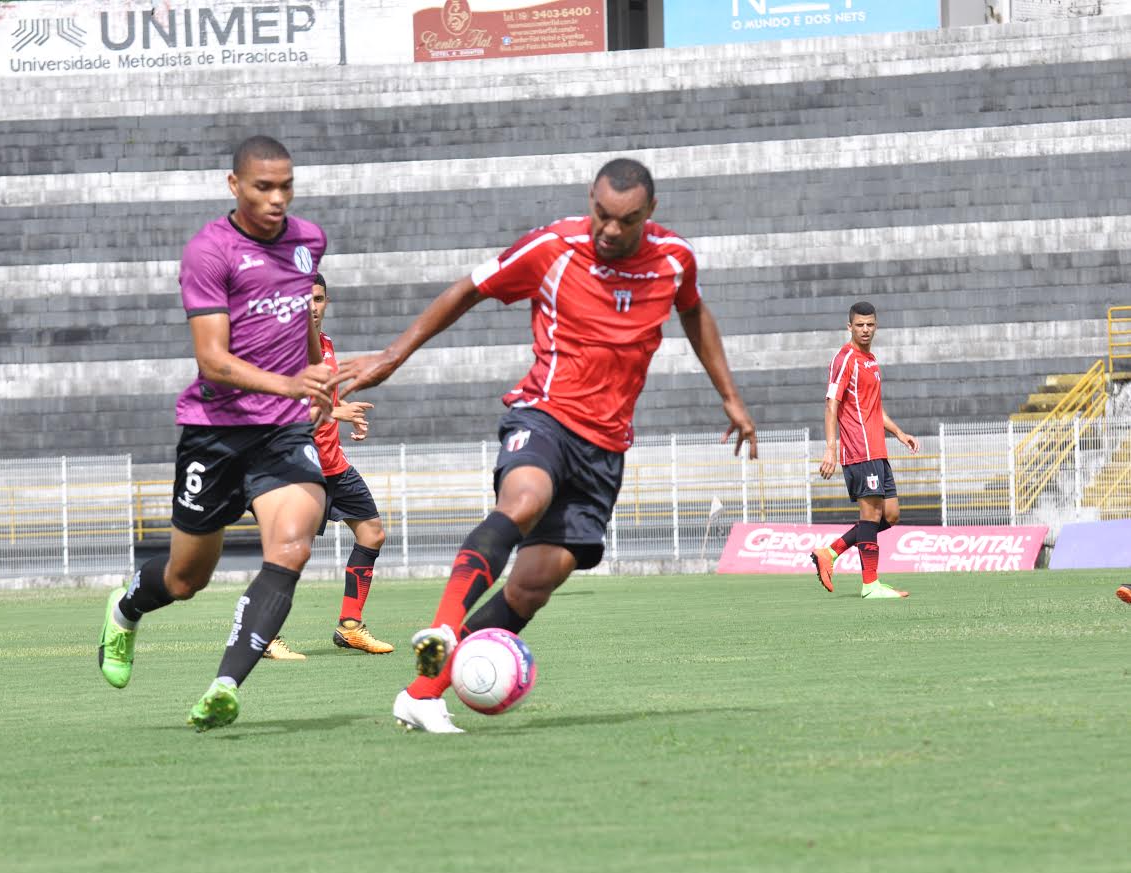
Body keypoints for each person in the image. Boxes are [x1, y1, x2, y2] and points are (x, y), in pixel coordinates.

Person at [335, 158, 758, 733]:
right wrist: (393, 355)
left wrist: (729, 396)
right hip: (545, 416)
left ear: (650, 214)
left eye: (625, 221)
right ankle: (442, 628)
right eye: (601, 215)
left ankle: (422, 694)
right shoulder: (552, 247)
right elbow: (468, 290)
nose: (609, 231)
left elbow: (695, 312)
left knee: (533, 587)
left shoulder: (674, 259)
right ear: (591, 199)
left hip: (605, 450)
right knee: (524, 499)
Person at [96, 135, 331, 731]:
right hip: (215, 430)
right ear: (235, 186)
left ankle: (225, 685)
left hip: (281, 432)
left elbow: (301, 318)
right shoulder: (209, 251)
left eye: (286, 187)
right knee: (184, 578)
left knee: (291, 548)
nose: (277, 199)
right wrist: (292, 385)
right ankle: (124, 610)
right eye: (263, 187)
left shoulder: (310, 241)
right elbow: (213, 362)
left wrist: (319, 377)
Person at [291, 271, 393, 656]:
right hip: (302, 470)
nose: (311, 308)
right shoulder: (286, 348)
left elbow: (325, 409)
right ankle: (262, 636)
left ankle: (350, 625)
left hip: (334, 465)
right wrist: (337, 412)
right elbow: (284, 410)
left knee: (372, 534)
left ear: (327, 302)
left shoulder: (327, 345)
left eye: (318, 299)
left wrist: (346, 417)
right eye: (305, 300)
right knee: (288, 556)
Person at [810, 302, 919, 600]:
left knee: (891, 515)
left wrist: (899, 433)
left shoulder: (870, 360)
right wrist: (831, 449)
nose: (865, 329)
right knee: (870, 516)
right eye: (859, 325)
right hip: (859, 449)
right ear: (850, 327)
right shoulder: (845, 358)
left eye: (870, 324)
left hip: (879, 450)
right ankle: (870, 584)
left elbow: (874, 408)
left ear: (876, 325)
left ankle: (830, 553)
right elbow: (831, 402)